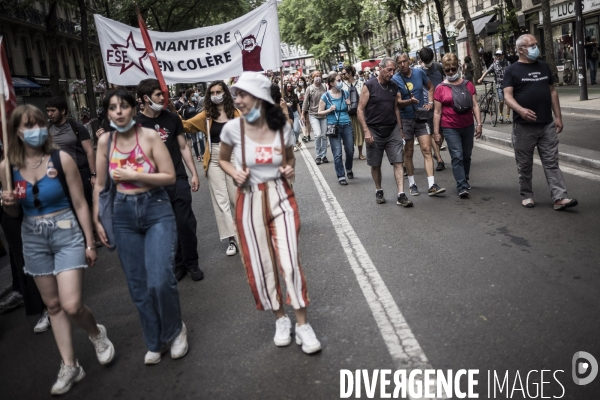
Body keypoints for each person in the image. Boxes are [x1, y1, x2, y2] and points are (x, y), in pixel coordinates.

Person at [1, 105, 114, 395]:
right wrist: (10, 204)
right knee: (52, 306)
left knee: (72, 304)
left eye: (39, 124)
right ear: (15, 131)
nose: (36, 130)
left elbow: (80, 203)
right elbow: (14, 216)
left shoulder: (61, 158)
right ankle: (70, 365)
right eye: (27, 126)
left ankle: (96, 333)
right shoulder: (6, 167)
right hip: (33, 238)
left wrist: (90, 242)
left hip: (67, 233)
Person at [219, 72, 321, 354]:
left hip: (281, 197)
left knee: (289, 262)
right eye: (235, 94)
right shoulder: (231, 129)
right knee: (261, 265)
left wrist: (290, 169)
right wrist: (234, 173)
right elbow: (223, 160)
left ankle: (302, 325)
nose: (236, 99)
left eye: (242, 94)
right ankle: (280, 319)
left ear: (260, 97)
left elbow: (289, 158)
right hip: (248, 200)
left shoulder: (281, 127)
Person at [93, 89, 188, 365]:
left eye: (124, 106)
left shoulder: (148, 136)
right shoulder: (104, 143)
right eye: (112, 108)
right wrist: (98, 218)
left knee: (160, 279)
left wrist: (135, 174)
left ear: (134, 109)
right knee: (138, 286)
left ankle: (176, 329)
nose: (119, 111)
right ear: (108, 113)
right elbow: (100, 185)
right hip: (123, 215)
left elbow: (170, 176)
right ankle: (155, 340)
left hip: (156, 209)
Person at [136, 79, 203, 281]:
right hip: (154, 185)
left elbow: (183, 146)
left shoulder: (172, 118)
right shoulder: (136, 124)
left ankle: (192, 264)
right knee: (166, 226)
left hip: (178, 179)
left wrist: (194, 173)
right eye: (158, 95)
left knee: (185, 223)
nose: (162, 98)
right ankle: (177, 264)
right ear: (146, 99)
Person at [503, 34, 578, 210]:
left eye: (536, 44)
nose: (536, 48)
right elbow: (507, 95)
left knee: (552, 161)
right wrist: (520, 110)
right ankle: (527, 195)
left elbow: (552, 92)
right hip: (523, 127)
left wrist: (558, 116)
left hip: (546, 124)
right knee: (525, 163)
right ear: (521, 49)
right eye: (532, 45)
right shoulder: (512, 70)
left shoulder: (544, 67)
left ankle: (560, 198)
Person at [182, 81, 241, 256]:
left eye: (219, 92)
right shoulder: (206, 116)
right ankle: (232, 239)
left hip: (234, 157)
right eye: (212, 93)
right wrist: (169, 111)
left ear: (226, 93)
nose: (216, 95)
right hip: (214, 160)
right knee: (220, 200)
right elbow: (186, 125)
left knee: (236, 198)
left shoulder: (237, 114)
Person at [357, 58, 413, 207]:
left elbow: (396, 108)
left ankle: (401, 194)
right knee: (375, 164)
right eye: (389, 70)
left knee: (398, 161)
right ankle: (379, 190)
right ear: (380, 68)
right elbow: (360, 110)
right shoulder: (369, 85)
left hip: (392, 128)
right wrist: (366, 131)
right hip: (374, 130)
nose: (392, 73)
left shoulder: (394, 86)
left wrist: (400, 129)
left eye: (393, 70)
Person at [392, 53, 446, 197]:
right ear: (397, 65)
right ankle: (412, 184)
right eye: (400, 62)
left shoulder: (419, 72)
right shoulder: (395, 79)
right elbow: (397, 102)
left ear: (409, 62)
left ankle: (432, 185)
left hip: (420, 117)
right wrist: (409, 102)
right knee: (408, 152)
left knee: (427, 149)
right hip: (406, 120)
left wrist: (430, 103)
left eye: (405, 61)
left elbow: (430, 87)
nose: (403, 64)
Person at [433, 53, 482, 198]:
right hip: (450, 127)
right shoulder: (440, 88)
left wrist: (479, 123)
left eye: (453, 69)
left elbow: (475, 105)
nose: (450, 73)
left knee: (467, 155)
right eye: (447, 70)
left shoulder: (468, 84)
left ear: (458, 67)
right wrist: (436, 132)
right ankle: (461, 185)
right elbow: (437, 112)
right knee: (457, 156)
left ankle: (465, 178)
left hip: (467, 125)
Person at [46, 97, 96, 211]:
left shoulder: (77, 127)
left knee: (85, 206)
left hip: (80, 174)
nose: (50, 114)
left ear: (63, 111)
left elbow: (89, 151)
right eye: (48, 111)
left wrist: (93, 175)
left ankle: (89, 228)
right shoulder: (47, 128)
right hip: (58, 175)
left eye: (53, 110)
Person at [318, 74, 355, 185]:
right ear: (332, 83)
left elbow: (348, 109)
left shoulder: (345, 93)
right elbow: (319, 112)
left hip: (346, 124)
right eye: (338, 80)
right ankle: (341, 175)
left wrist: (349, 105)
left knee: (350, 150)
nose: (340, 82)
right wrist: (329, 110)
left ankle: (348, 168)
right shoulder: (326, 96)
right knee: (337, 153)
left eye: (341, 80)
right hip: (333, 126)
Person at [419, 47, 447, 172]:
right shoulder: (419, 72)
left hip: (441, 103)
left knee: (442, 132)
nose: (428, 63)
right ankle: (439, 159)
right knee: (432, 132)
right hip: (428, 106)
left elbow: (446, 81)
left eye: (429, 60)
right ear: (422, 60)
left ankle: (437, 151)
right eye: (426, 61)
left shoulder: (439, 68)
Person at [478, 50, 512, 123]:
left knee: (508, 101)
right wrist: (481, 78)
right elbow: (487, 71)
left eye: (499, 55)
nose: (498, 57)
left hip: (507, 85)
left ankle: (507, 117)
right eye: (497, 55)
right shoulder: (494, 64)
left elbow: (513, 72)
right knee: (501, 101)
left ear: (503, 55)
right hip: (499, 85)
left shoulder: (508, 63)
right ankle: (501, 115)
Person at [302, 71, 329, 165]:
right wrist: (302, 114)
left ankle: (324, 155)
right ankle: (318, 156)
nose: (318, 77)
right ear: (313, 78)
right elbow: (305, 102)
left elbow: (328, 99)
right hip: (313, 115)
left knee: (324, 135)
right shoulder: (310, 88)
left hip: (324, 114)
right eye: (316, 76)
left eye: (319, 76)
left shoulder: (325, 87)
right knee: (317, 135)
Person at [342, 65, 366, 160]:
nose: (343, 75)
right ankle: (350, 153)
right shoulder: (342, 85)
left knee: (360, 132)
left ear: (350, 73)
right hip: (347, 113)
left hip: (359, 112)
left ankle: (360, 153)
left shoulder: (361, 83)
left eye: (344, 73)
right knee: (349, 134)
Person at [284, 82, 302, 150]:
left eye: (290, 86)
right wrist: (286, 104)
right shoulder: (283, 96)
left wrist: (301, 115)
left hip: (295, 113)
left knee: (296, 130)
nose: (289, 87)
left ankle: (296, 140)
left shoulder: (294, 95)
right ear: (286, 88)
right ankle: (294, 145)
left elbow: (297, 105)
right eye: (288, 86)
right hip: (288, 114)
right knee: (291, 131)